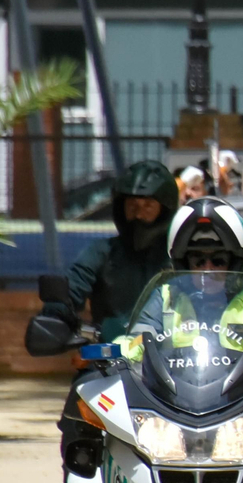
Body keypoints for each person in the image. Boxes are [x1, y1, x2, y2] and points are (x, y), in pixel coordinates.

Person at [42, 160, 179, 465]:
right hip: (109, 360)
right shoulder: (102, 252)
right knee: (80, 401)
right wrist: (56, 311)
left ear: (166, 208)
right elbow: (73, 284)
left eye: (147, 205)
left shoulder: (180, 257)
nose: (138, 213)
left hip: (177, 362)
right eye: (131, 204)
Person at [123, 196, 243, 360]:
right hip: (172, 395)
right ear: (184, 264)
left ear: (235, 263)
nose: (208, 269)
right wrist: (120, 352)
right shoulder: (165, 297)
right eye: (198, 261)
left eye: (218, 261)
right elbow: (138, 338)